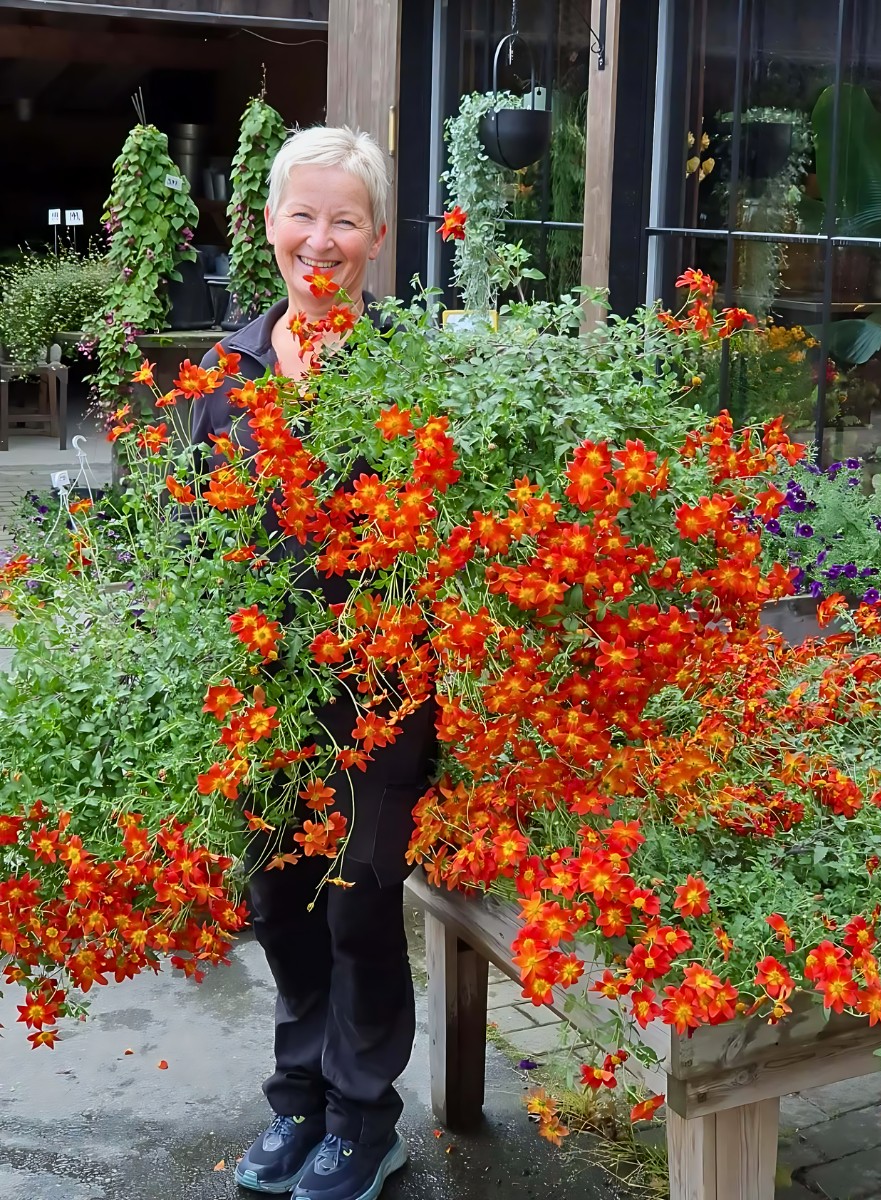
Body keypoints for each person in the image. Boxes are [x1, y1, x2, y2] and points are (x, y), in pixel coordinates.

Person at [190, 126, 437, 1200]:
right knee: (278, 896)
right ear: (270, 227)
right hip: (263, 689)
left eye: (345, 221)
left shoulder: (411, 370)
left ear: (377, 238)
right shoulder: (225, 368)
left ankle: (363, 1118)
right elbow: (183, 530)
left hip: (380, 689)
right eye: (304, 217)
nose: (321, 241)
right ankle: (299, 1102)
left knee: (357, 899)